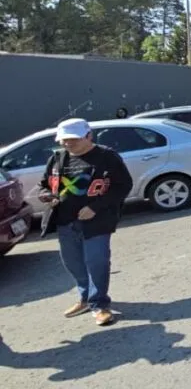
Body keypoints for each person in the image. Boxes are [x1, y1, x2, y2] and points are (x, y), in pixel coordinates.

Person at [39, 118, 133, 326]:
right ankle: (85, 297)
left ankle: (100, 304)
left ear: (89, 136)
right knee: (73, 263)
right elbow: (44, 184)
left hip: (96, 222)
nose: (67, 144)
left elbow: (123, 185)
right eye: (63, 140)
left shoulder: (106, 157)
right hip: (65, 221)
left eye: (73, 139)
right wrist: (46, 195)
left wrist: (95, 207)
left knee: (97, 262)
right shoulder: (57, 157)